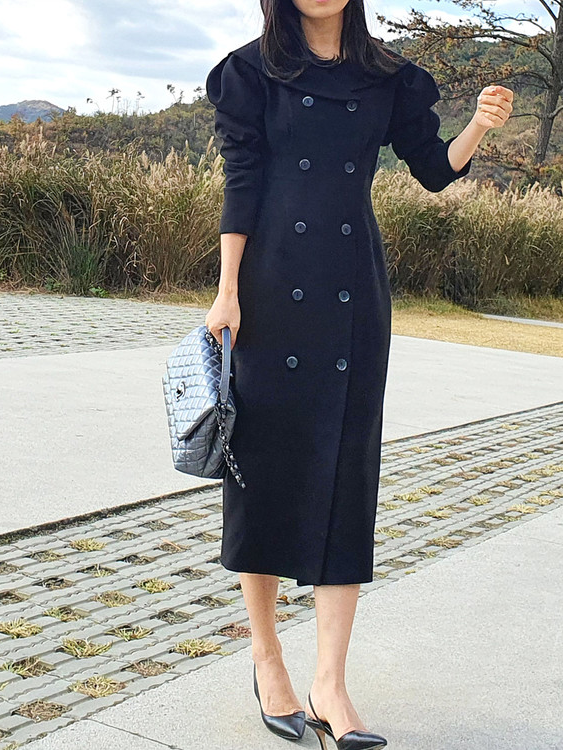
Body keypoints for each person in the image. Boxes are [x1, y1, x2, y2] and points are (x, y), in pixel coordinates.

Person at [204, 1, 513, 747]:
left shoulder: (388, 76)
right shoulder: (250, 71)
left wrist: (479, 125)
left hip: (352, 290)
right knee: (262, 470)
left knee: (346, 473)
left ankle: (331, 685)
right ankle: (267, 659)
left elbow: (434, 169)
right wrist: (227, 289)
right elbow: (242, 181)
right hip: (270, 287)